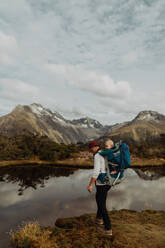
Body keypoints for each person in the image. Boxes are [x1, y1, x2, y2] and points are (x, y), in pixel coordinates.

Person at [87, 140, 112, 236]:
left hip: (101, 183)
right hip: (108, 182)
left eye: (91, 149)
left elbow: (96, 172)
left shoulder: (98, 156)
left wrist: (90, 185)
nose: (91, 151)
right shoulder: (104, 153)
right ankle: (98, 219)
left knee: (101, 204)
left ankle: (108, 229)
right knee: (100, 199)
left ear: (94, 147)